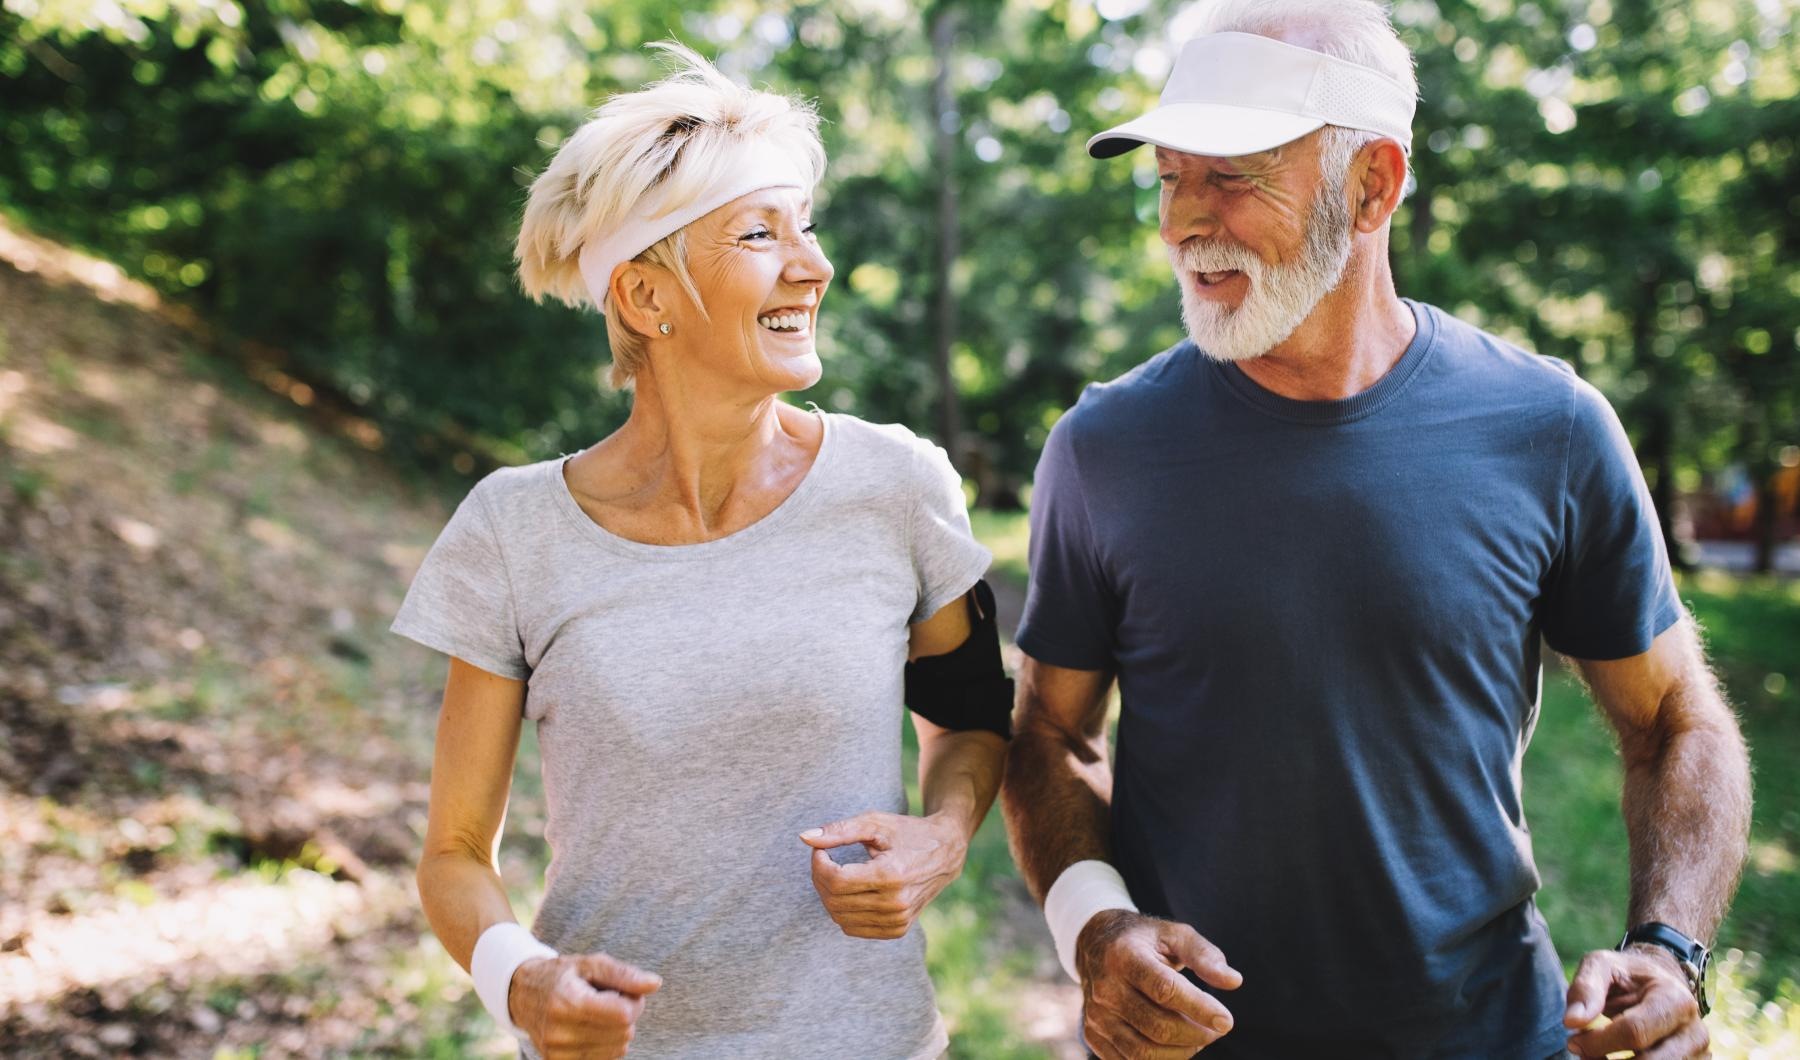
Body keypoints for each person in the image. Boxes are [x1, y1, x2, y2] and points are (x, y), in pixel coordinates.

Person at [1000, 2, 1752, 1058]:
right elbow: (1049, 734)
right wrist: (1097, 927)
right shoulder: (1106, 445)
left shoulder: (1551, 428)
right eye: (1170, 176)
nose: (1181, 221)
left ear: (1374, 186)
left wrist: (1670, 949)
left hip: (1490, 1036)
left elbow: (1677, 721)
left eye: (1232, 176)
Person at [391, 44, 1012, 1060]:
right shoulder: (513, 532)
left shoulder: (897, 487)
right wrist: (522, 981)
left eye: (805, 230)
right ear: (645, 298)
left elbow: (976, 719)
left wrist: (940, 840)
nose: (811, 266)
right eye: (761, 235)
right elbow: (456, 853)